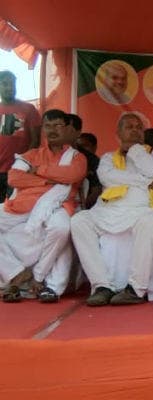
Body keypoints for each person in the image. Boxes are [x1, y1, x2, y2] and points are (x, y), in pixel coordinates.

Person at [70, 113, 153, 306]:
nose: (135, 130)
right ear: (118, 134)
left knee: (149, 221)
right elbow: (107, 177)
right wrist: (146, 182)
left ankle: (136, 288)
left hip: (139, 210)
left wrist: (135, 151)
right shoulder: (108, 157)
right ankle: (102, 285)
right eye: (129, 127)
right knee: (79, 221)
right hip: (107, 210)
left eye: (138, 127)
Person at [0, 109, 87, 303]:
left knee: (62, 228)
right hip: (22, 205)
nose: (52, 130)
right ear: (43, 130)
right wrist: (50, 182)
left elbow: (72, 175)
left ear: (67, 129)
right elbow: (14, 178)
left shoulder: (76, 157)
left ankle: (39, 277)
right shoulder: (31, 154)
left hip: (57, 206)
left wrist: (38, 170)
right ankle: (16, 273)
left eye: (58, 125)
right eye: (48, 126)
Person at [0, 70, 41, 201]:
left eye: (12, 84)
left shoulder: (29, 108)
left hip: (19, 168)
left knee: (14, 204)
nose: (9, 87)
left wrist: (23, 163)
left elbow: (36, 140)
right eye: (5, 84)